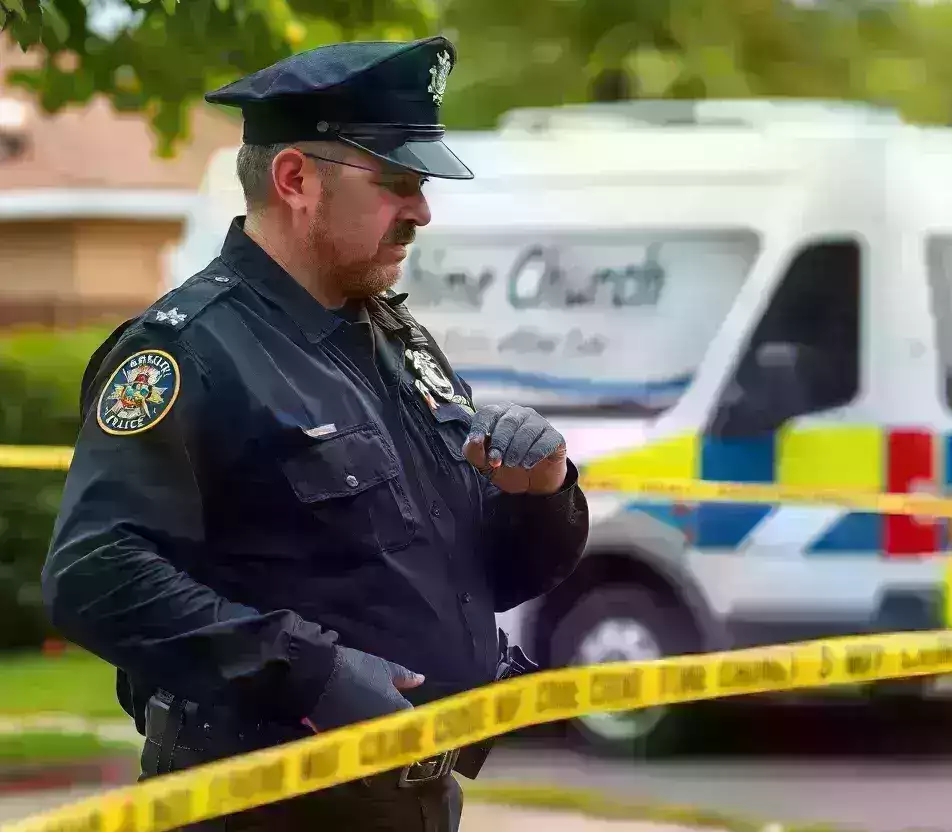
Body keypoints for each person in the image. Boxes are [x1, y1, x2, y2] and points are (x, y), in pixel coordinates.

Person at [41, 35, 589, 832]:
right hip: (260, 801)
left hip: (412, 799)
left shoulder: (392, 339)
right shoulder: (187, 350)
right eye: (397, 182)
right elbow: (96, 576)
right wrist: (308, 673)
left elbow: (479, 574)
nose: (421, 211)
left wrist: (541, 495)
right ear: (295, 179)